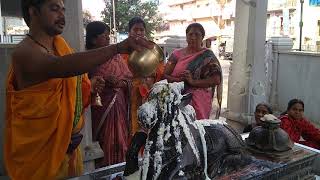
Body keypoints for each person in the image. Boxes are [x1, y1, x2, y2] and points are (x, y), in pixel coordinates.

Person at [4, 0, 153, 179]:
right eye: (54, 9)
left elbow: (70, 84)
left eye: (63, 9)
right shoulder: (25, 52)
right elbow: (61, 68)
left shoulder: (59, 46)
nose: (61, 15)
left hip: (69, 151)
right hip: (40, 157)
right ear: (33, 12)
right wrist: (117, 48)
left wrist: (89, 86)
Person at [85, 21, 132, 167]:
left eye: (108, 36)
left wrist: (121, 83)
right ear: (93, 39)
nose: (108, 39)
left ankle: (120, 171)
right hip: (101, 108)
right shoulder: (87, 58)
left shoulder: (116, 57)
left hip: (119, 106)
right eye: (104, 36)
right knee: (106, 143)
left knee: (121, 141)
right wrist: (104, 80)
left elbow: (129, 79)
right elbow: (85, 83)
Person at [163, 23, 222, 119]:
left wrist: (193, 82)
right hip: (176, 97)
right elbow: (165, 75)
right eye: (190, 34)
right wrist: (179, 81)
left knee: (196, 130)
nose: (193, 37)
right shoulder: (176, 54)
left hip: (199, 102)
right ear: (186, 37)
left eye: (197, 35)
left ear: (202, 37)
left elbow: (216, 80)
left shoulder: (208, 56)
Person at [122, 17, 164, 137]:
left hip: (147, 94)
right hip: (128, 96)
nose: (139, 32)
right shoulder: (123, 49)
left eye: (141, 30)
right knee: (130, 126)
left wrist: (152, 74)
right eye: (135, 30)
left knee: (147, 125)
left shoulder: (151, 48)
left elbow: (160, 69)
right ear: (129, 32)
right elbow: (121, 71)